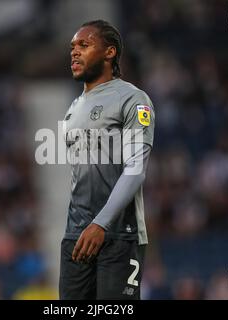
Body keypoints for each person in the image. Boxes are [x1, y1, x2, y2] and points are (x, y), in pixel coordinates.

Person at [59, 20, 155, 300]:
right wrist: (83, 227)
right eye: (72, 47)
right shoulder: (73, 109)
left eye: (84, 45)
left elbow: (136, 170)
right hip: (75, 237)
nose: (74, 52)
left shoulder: (133, 99)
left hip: (119, 236)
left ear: (109, 52)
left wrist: (100, 223)